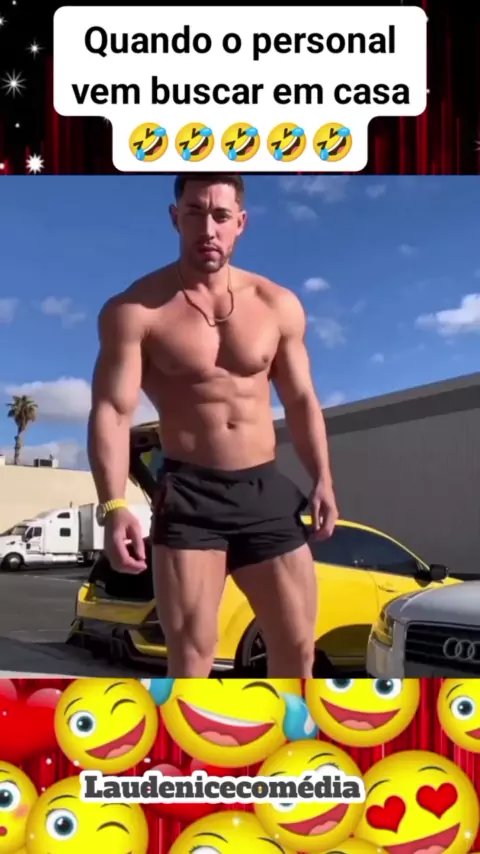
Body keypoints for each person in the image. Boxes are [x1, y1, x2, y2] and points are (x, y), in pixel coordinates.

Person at [87, 173, 338, 678]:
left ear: (240, 222)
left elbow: (301, 400)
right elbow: (112, 411)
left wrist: (323, 479)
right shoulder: (134, 311)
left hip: (263, 490)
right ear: (175, 217)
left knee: (296, 649)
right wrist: (113, 506)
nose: (208, 229)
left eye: (221, 216)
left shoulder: (277, 304)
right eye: (195, 213)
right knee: (192, 656)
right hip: (190, 497)